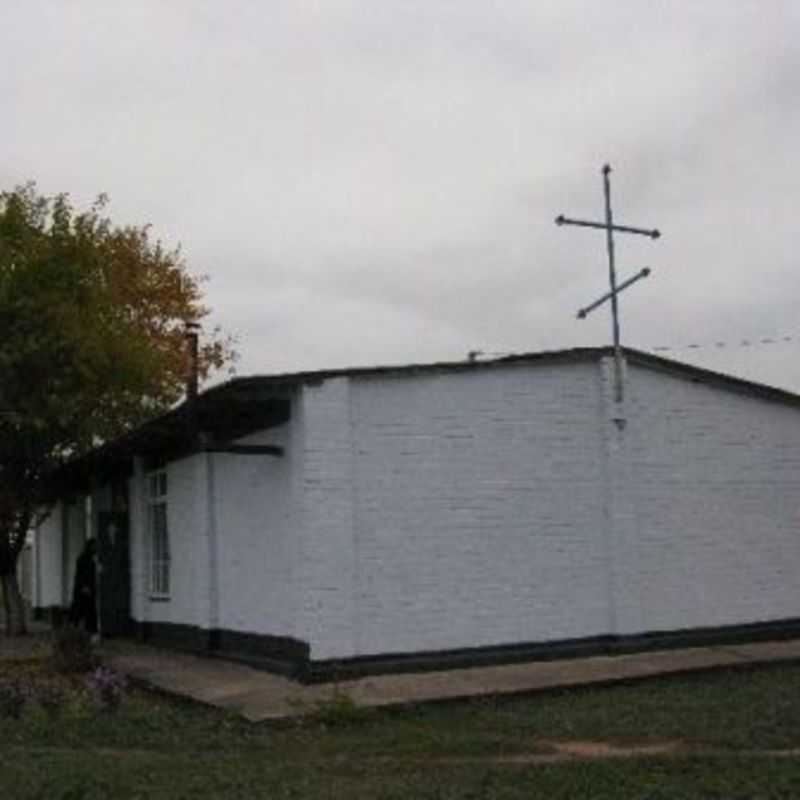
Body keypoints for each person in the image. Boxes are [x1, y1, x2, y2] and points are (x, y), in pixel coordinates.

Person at [69, 538, 98, 635]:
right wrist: (84, 586)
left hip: (88, 588)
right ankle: (78, 629)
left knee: (88, 610)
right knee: (81, 610)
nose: (95, 548)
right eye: (94, 546)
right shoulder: (83, 559)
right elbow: (80, 575)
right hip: (83, 589)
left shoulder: (90, 559)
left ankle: (88, 630)